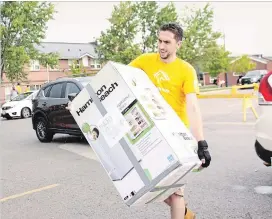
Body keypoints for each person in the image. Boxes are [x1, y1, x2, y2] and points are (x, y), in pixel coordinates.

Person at [129, 22, 211, 219]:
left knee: (175, 192)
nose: (161, 46)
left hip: (175, 137)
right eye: (159, 41)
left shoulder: (186, 70)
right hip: (149, 133)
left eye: (167, 42)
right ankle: (184, 213)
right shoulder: (144, 61)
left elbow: (192, 106)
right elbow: (119, 77)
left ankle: (180, 209)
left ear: (178, 44)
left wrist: (201, 142)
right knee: (147, 185)